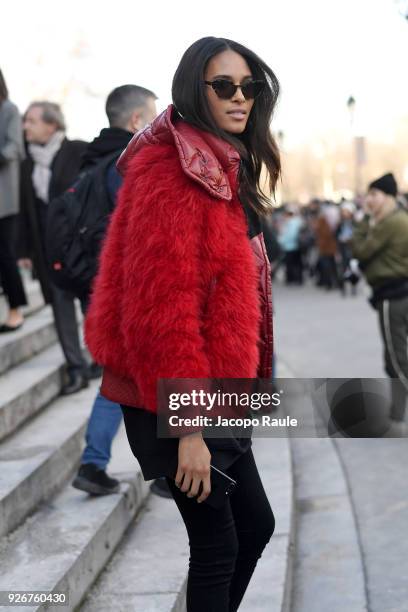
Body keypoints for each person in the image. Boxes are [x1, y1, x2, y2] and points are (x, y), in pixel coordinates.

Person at [84, 36, 277, 611]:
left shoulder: (219, 165)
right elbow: (159, 313)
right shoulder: (173, 172)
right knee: (218, 547)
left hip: (220, 391)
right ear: (196, 90)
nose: (240, 98)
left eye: (250, 87)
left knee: (256, 527)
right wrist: (189, 430)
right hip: (182, 399)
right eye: (224, 87)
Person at [72, 84, 159, 496]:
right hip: (132, 289)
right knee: (156, 370)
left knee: (121, 376)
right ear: (137, 120)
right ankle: (170, 469)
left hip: (100, 287)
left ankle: (93, 463)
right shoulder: (128, 164)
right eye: (153, 116)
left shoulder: (89, 163)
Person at [19, 101, 92, 394]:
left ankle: (102, 360)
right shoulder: (27, 163)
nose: (26, 127)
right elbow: (27, 210)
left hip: (82, 250)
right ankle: (76, 369)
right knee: (61, 314)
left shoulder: (78, 150)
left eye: (32, 121)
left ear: (52, 125)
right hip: (48, 253)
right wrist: (24, 250)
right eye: (25, 121)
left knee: (93, 311)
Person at [351, 173, 408, 437]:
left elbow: (360, 250)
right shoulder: (396, 218)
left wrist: (363, 220)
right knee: (393, 357)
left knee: (397, 359)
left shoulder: (392, 222)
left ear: (387, 197)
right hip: (395, 294)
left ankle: (397, 413)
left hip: (393, 297)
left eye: (374, 195)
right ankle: (397, 414)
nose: (369, 200)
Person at [0, 69, 27, 332]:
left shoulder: (8, 109)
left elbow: (14, 149)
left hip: (4, 200)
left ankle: (16, 310)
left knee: (5, 256)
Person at [278, 204, 303, 284]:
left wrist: (281, 241)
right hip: (297, 246)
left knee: (290, 264)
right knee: (297, 263)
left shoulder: (291, 223)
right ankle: (298, 279)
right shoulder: (299, 221)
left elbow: (290, 235)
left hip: (290, 246)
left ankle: (291, 279)